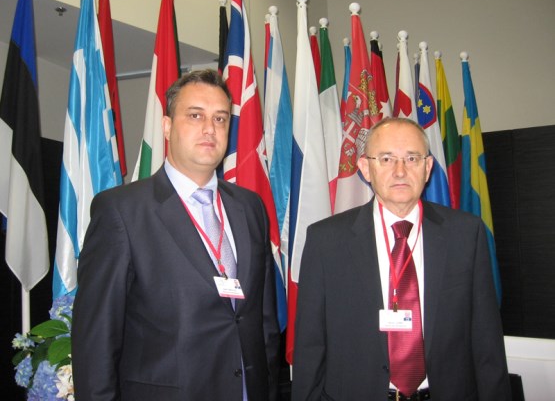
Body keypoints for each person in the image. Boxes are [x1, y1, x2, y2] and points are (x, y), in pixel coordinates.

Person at [72, 69, 280, 401]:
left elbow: (263, 323)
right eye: (195, 115)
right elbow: (95, 342)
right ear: (167, 126)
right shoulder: (122, 212)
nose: (210, 129)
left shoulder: (250, 207)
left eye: (221, 119)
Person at [291, 117, 511, 400]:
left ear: (428, 167)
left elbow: (487, 342)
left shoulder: (467, 234)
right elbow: (310, 345)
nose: (400, 171)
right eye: (386, 159)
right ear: (365, 168)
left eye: (412, 158)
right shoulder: (326, 241)